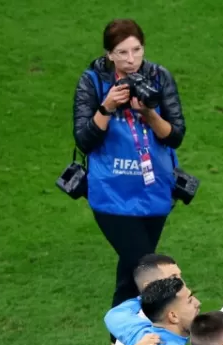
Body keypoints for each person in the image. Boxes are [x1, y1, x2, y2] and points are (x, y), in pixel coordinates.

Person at [73, 19, 186, 308]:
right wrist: (107, 106)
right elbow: (84, 140)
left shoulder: (159, 77)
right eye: (122, 52)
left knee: (129, 277)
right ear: (109, 54)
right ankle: (166, 324)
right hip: (112, 195)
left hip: (154, 191)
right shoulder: (93, 81)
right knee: (148, 271)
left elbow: (175, 136)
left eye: (137, 50)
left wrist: (149, 114)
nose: (131, 59)